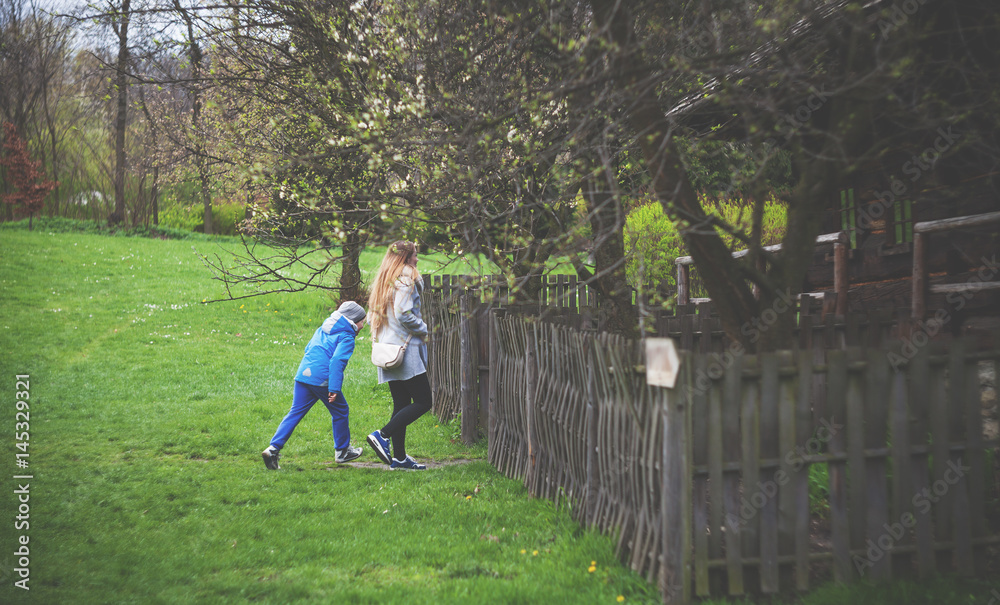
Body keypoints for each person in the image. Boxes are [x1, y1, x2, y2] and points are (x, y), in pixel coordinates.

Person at [262, 301, 367, 470]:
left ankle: (273, 449)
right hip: (322, 380)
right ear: (353, 321)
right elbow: (337, 361)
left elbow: (308, 348)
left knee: (295, 412)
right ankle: (342, 452)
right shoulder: (347, 336)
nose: (364, 325)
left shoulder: (323, 328)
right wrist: (333, 388)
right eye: (363, 321)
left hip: (304, 374)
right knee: (340, 410)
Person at [366, 241, 432, 470]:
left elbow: (370, 316)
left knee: (402, 403)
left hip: (387, 350)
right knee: (424, 401)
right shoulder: (406, 279)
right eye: (414, 255)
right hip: (405, 352)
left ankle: (400, 458)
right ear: (405, 258)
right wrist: (423, 327)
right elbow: (403, 313)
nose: (417, 259)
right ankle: (382, 434)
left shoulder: (385, 279)